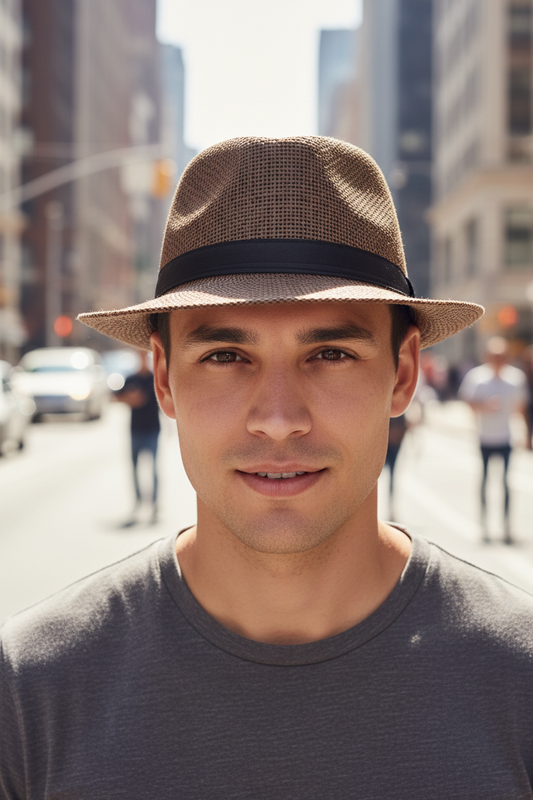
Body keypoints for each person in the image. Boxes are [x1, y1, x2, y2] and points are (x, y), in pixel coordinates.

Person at [1, 136, 532, 799]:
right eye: (226, 357)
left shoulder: (519, 679)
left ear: (402, 376)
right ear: (164, 381)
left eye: (331, 354)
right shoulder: (28, 691)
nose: (278, 418)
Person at [459, 336, 529, 544]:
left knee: (506, 483)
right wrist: (485, 406)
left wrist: (524, 433)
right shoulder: (477, 377)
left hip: (505, 437)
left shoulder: (515, 378)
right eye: (494, 355)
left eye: (502, 356)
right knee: (485, 481)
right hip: (485, 437)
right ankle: (484, 524)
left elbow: (521, 408)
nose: (498, 359)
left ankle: (507, 525)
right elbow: (468, 402)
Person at [114, 350, 160, 525]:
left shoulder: (153, 379)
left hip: (153, 429)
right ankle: (138, 502)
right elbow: (116, 396)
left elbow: (153, 401)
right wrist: (129, 398)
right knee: (134, 469)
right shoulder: (131, 378)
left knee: (154, 469)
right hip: (135, 430)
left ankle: (154, 504)